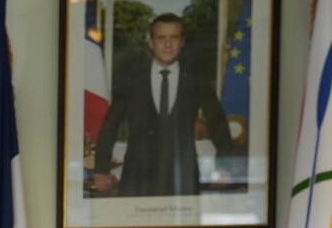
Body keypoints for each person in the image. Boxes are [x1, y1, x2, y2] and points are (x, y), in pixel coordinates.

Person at [92, 13, 237, 197]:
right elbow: (110, 125)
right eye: (161, 38)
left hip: (183, 178)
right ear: (151, 43)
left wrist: (224, 166)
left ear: (182, 42)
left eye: (174, 37)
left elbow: (217, 123)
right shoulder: (131, 78)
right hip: (137, 180)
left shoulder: (196, 77)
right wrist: (102, 169)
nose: (168, 45)